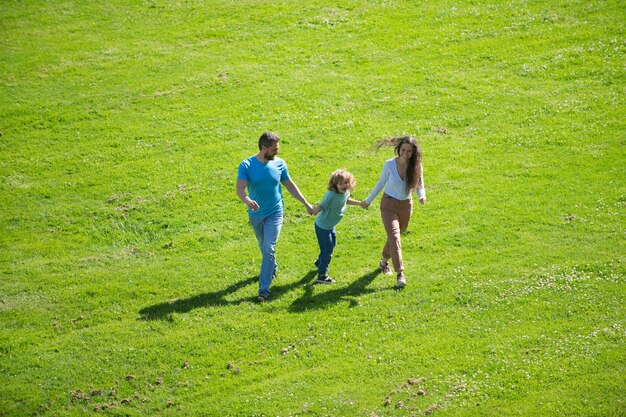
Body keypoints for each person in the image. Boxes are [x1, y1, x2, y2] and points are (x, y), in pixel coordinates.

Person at [236, 131, 314, 302]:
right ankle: (272, 266)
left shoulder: (279, 164)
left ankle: (264, 289)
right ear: (263, 148)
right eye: (273, 150)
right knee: (264, 246)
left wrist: (306, 204)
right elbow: (240, 189)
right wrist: (247, 200)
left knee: (269, 247)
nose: (277, 152)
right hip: (256, 214)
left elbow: (289, 185)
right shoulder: (246, 165)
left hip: (275, 212)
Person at [361, 136, 426, 288]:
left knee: (395, 236)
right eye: (403, 150)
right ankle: (400, 274)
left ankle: (384, 262)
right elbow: (381, 183)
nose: (406, 153)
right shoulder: (390, 164)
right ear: (399, 149)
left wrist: (422, 196)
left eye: (409, 151)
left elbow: (420, 184)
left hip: (406, 205)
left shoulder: (417, 165)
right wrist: (368, 200)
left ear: (413, 152)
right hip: (388, 204)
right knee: (395, 236)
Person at [311, 169, 364, 284]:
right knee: (327, 250)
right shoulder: (331, 195)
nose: (344, 185)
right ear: (335, 185)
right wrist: (315, 210)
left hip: (331, 225)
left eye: (346, 182)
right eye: (341, 183)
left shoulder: (345, 193)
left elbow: (346, 200)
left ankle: (319, 262)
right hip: (322, 226)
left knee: (331, 245)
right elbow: (322, 206)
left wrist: (359, 203)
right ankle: (322, 275)